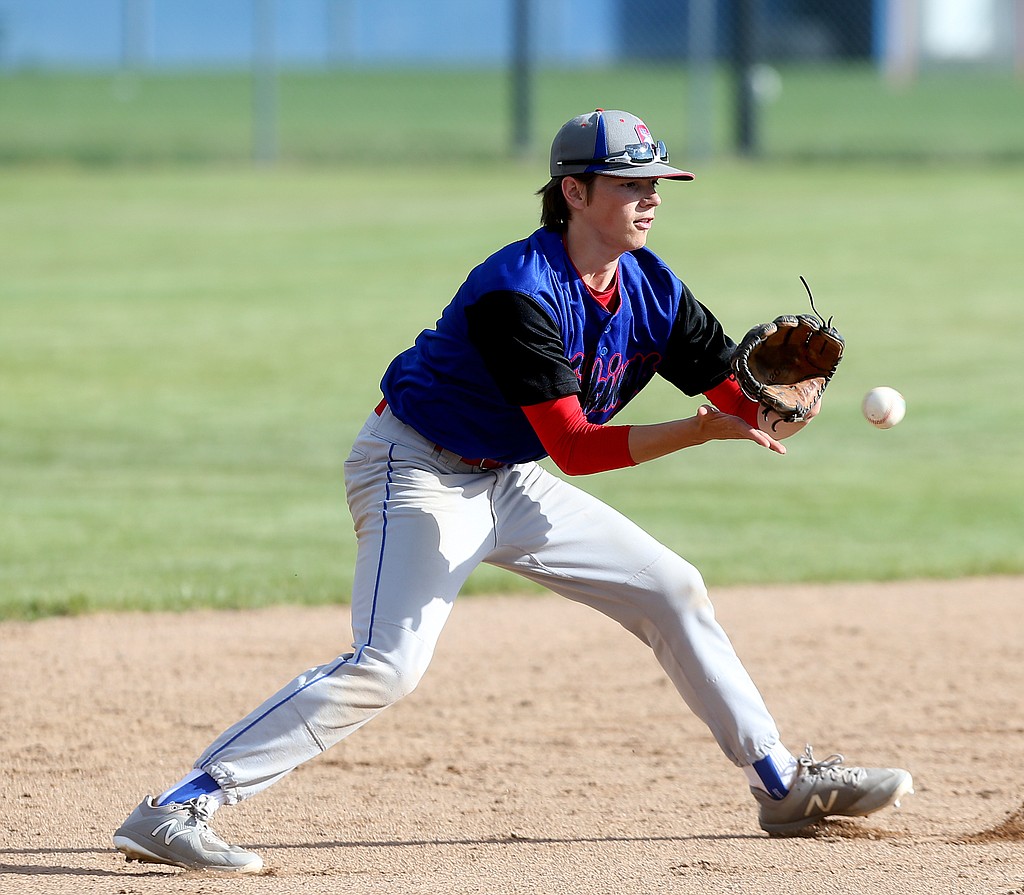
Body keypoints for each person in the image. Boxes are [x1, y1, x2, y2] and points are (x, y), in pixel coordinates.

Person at [113, 109, 912, 873]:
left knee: (671, 587)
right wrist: (701, 430)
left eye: (656, 183)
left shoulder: (653, 288)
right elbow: (574, 448)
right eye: (632, 183)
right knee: (389, 665)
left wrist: (783, 403)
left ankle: (781, 785)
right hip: (417, 469)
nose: (653, 197)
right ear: (575, 191)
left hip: (507, 476)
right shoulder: (516, 291)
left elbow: (742, 403)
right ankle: (180, 806)